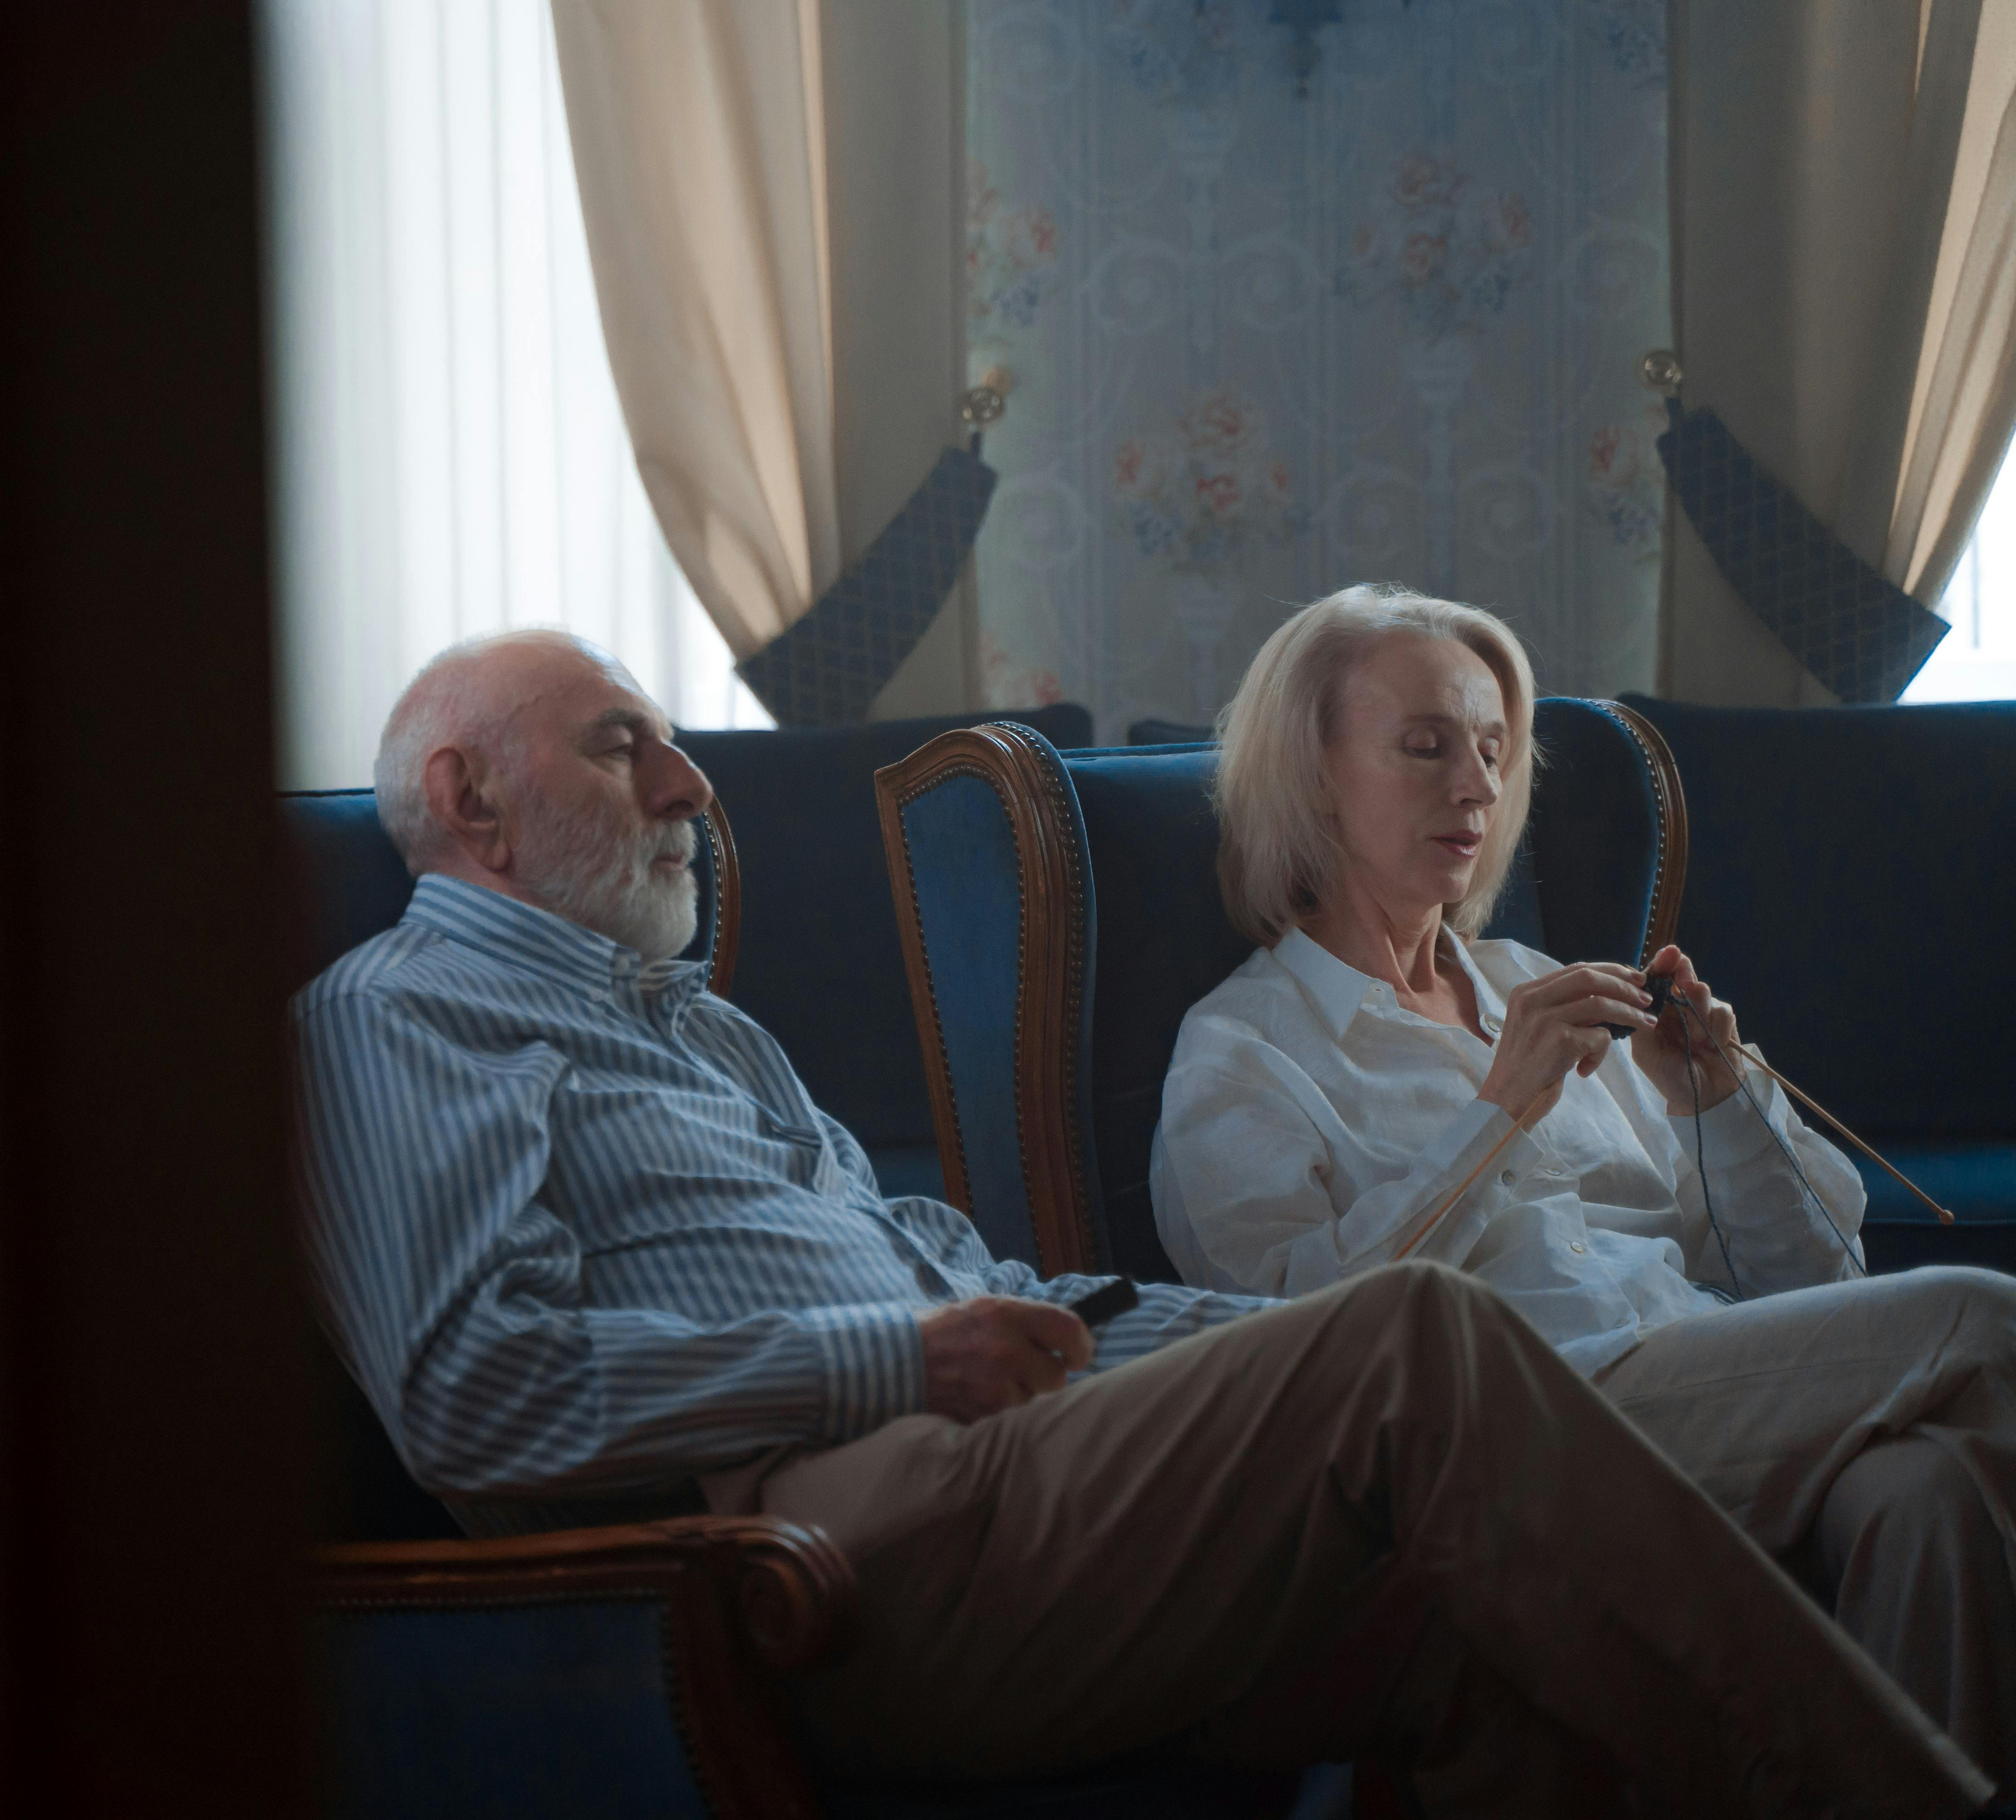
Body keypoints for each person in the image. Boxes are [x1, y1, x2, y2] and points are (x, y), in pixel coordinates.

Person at [294, 627, 1995, 1816]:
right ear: (471, 799)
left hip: (1009, 1464)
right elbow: (480, 1402)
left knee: (1472, 1584)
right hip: (820, 1553)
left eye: (670, 740)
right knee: (1422, 1335)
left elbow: (984, 1285)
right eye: (624, 744)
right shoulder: (406, 1017)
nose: (691, 782)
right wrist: (897, 1354)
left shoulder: (708, 1028)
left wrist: (1250, 1348)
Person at [1153, 582, 2016, 1788]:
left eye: (1496, 752)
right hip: (1515, 1441)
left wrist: (1716, 1098)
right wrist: (1495, 1112)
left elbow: (1816, 1280)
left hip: (1703, 1382)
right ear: (1311, 775)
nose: (1477, 786)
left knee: (1929, 1489)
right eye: (1426, 747)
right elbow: (1298, 1351)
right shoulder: (1242, 1052)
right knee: (1983, 1316)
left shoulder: (1534, 979)